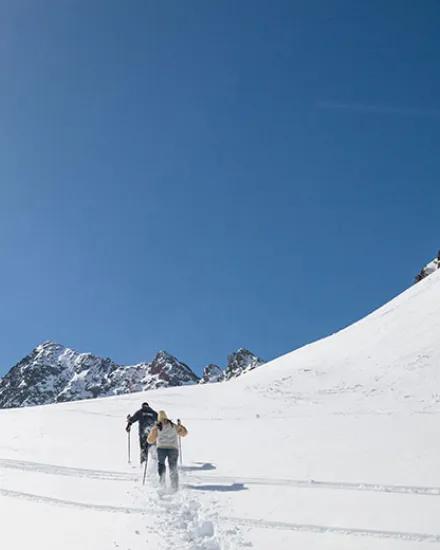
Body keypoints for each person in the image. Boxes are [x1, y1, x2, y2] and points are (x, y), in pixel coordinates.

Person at [147, 410, 188, 490]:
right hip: (173, 449)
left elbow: (150, 440)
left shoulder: (157, 428)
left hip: (161, 449)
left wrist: (150, 435)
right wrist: (181, 426)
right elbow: (184, 433)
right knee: (173, 466)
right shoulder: (174, 426)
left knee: (161, 464)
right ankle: (174, 486)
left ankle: (162, 482)